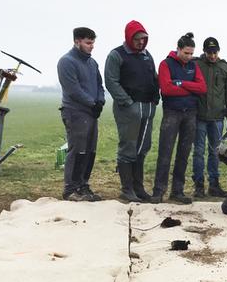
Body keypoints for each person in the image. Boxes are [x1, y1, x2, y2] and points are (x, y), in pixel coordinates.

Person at [104, 20, 159, 203]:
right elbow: (111, 81)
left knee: (143, 147)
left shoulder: (147, 55)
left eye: (144, 39)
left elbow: (153, 77)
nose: (141, 42)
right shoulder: (117, 55)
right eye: (137, 39)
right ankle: (126, 189)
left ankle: (139, 187)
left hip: (147, 107)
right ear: (129, 37)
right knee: (128, 146)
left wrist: (155, 97)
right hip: (128, 109)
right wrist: (127, 102)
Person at [151, 32, 206, 204]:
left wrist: (181, 83)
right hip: (172, 113)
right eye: (186, 53)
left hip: (190, 113)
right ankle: (158, 191)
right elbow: (166, 89)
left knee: (184, 153)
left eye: (191, 53)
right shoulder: (165, 64)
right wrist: (191, 89)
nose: (189, 57)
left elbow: (202, 88)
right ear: (178, 49)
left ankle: (177, 191)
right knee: (165, 152)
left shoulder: (194, 66)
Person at [57, 26, 105, 202]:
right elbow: (73, 89)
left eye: (93, 43)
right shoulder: (66, 62)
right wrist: (91, 103)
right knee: (77, 150)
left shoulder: (92, 63)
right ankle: (70, 189)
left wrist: (100, 101)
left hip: (92, 113)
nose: (91, 46)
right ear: (77, 41)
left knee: (90, 150)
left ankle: (83, 185)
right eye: (88, 43)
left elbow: (100, 85)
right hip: (75, 112)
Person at [192, 37, 227, 199]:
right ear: (204, 51)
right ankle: (198, 185)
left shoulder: (225, 68)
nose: (212, 55)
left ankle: (214, 185)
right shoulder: (196, 65)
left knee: (215, 151)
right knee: (198, 151)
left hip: (217, 118)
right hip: (199, 116)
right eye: (209, 52)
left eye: (215, 52)